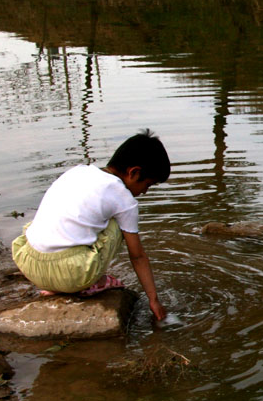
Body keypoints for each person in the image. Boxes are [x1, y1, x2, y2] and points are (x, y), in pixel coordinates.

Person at [11, 129, 170, 321]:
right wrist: (153, 299)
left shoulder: (77, 172)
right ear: (133, 172)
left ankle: (54, 285)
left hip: (29, 265)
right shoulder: (124, 199)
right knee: (118, 225)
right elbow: (137, 256)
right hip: (73, 276)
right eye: (148, 184)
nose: (145, 192)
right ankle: (90, 283)